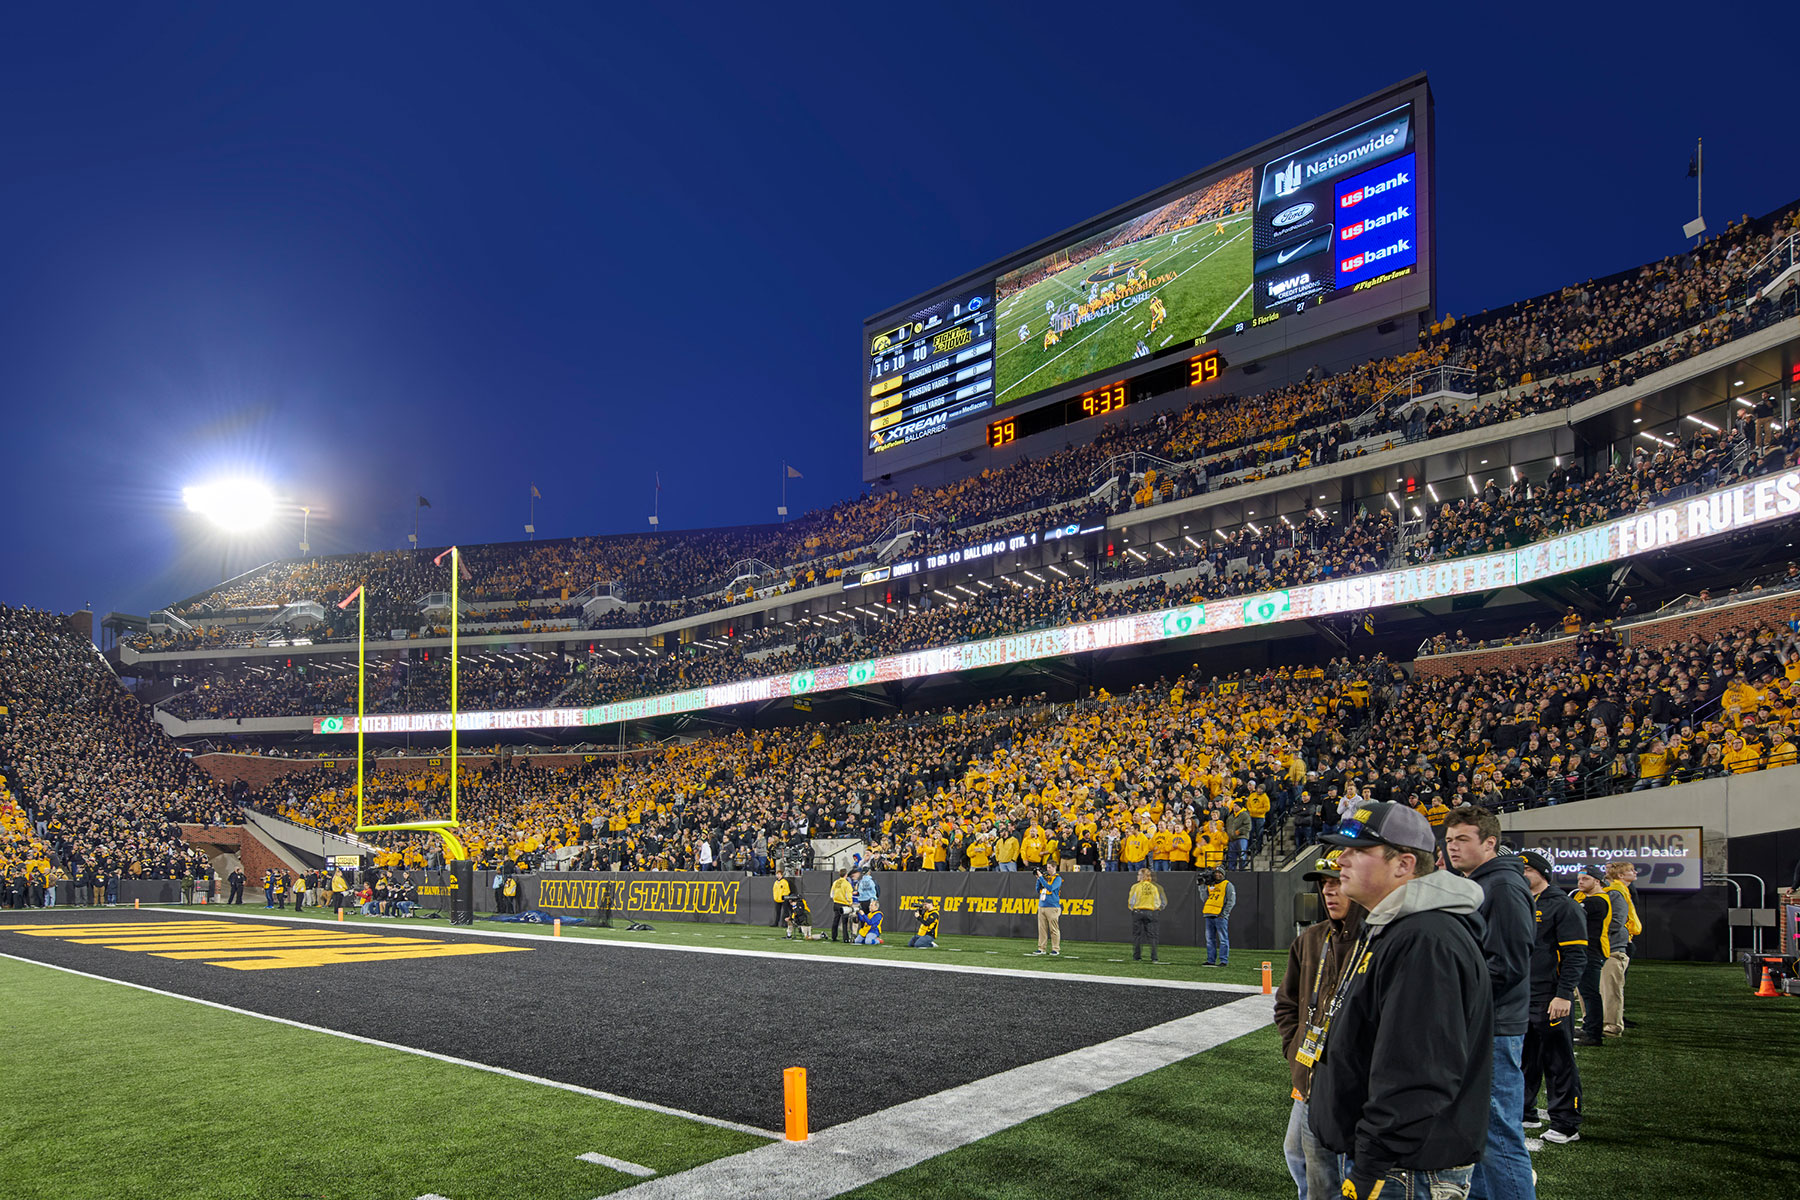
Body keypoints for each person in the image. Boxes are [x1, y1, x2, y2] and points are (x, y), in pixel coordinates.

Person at [1312, 801, 1492, 1200]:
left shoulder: (1425, 938)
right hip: (1395, 1162)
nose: (1340, 859)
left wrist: (1371, 1165)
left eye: (1358, 850)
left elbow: (1419, 1071)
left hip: (1405, 1170)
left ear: (1404, 864)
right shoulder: (1400, 928)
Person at [1442, 807, 1537, 1200]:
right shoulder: (1482, 882)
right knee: (1478, 1133)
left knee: (1497, 1132)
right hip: (1483, 1023)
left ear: (1490, 842)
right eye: (1449, 840)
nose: (1452, 847)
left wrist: (1454, 998)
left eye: (1462, 839)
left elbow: (1508, 964)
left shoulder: (1502, 886)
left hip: (1495, 1025)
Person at [1275, 849, 1364, 1200]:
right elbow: (1286, 1003)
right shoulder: (1311, 939)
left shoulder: (1376, 941)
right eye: (1324, 884)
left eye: (1337, 882)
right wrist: (1293, 1047)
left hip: (1350, 1082)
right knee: (1297, 1154)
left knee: (1337, 1170)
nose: (1328, 891)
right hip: (1309, 1070)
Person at [1518, 850, 1585, 1145]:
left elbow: (1576, 955)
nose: (1521, 875)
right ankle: (1525, 1111)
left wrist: (1564, 994)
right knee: (1525, 1058)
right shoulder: (1520, 902)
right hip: (1522, 995)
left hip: (1550, 995)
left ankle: (1566, 1124)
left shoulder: (1564, 905)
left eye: (1526, 870)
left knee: (1558, 1061)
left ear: (1542, 873)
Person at [1572, 866, 1621, 1046]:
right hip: (1590, 950)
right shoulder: (1591, 899)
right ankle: (1589, 1027)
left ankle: (1593, 1033)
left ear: (1597, 881)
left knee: (1590, 993)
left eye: (1585, 879)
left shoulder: (1597, 901)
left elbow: (1571, 912)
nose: (1580, 882)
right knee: (1587, 992)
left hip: (1592, 951)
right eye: (1579, 879)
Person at [1601, 861, 1642, 1037]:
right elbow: (1616, 921)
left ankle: (1613, 1020)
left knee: (1614, 985)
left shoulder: (1621, 890)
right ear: (1620, 875)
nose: (1635, 873)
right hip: (1614, 943)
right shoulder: (1616, 891)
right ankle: (1611, 1022)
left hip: (1619, 941)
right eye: (1631, 870)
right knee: (1612, 986)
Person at [1127, 867, 1166, 964]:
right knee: (1153, 936)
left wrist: (1133, 908)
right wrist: (1156, 909)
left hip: (1138, 911)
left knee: (1137, 935)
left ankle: (1137, 956)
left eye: (1139, 874)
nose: (1137, 876)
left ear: (1142, 876)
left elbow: (1131, 901)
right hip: (1151, 912)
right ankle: (1154, 957)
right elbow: (1158, 901)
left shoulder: (1136, 887)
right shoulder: (1154, 887)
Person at [1202, 867, 1234, 967]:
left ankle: (1223, 960)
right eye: (1216, 873)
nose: (1217, 874)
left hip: (1220, 915)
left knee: (1223, 939)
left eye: (1220, 873)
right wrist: (1202, 886)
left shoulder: (1227, 884)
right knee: (1210, 940)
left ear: (1223, 874)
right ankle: (1211, 960)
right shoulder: (1211, 885)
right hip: (1209, 914)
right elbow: (1205, 899)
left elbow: (1231, 901)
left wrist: (1224, 914)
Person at [1028, 863, 1062, 956]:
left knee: (1053, 929)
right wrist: (1039, 879)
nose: (1048, 869)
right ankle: (1041, 948)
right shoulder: (1045, 878)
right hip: (1042, 905)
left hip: (1052, 906)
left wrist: (1041, 878)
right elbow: (1037, 889)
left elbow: (1050, 888)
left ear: (1054, 867)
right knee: (1042, 929)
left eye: (1050, 867)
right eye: (1047, 867)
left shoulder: (1057, 878)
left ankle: (1055, 949)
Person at [829, 869, 854, 942]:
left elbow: (831, 895)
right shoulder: (847, 884)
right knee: (844, 922)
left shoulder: (835, 882)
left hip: (836, 903)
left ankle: (834, 937)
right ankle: (845, 938)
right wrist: (850, 903)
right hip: (844, 904)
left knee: (835, 921)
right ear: (846, 875)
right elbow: (848, 896)